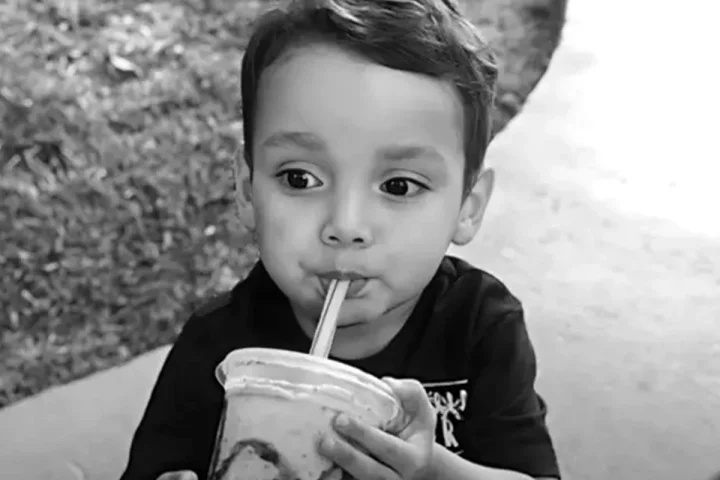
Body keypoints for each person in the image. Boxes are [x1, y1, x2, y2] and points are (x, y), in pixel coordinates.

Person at [120, 0, 561, 479]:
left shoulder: (480, 327)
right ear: (247, 191)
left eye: (399, 186)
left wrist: (433, 471)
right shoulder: (218, 345)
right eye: (300, 178)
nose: (346, 225)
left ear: (467, 207)